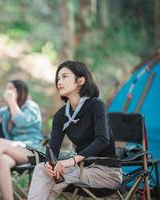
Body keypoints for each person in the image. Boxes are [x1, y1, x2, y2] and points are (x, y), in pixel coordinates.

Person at [28, 61, 122, 199]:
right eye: (58, 78)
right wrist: (49, 163)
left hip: (106, 173)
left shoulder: (96, 105)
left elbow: (102, 140)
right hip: (80, 170)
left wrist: (72, 161)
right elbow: (53, 148)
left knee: (58, 178)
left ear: (81, 80)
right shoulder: (61, 115)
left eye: (64, 76)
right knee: (42, 170)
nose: (59, 81)